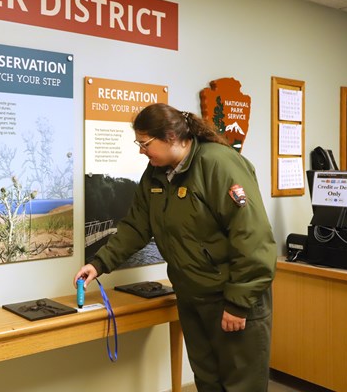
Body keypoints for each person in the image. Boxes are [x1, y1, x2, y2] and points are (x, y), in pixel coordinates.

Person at [74, 103, 277, 392]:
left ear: (170, 137)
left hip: (231, 299)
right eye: (139, 144)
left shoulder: (218, 163)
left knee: (241, 385)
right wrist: (99, 263)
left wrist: (238, 303)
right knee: (207, 381)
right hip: (193, 298)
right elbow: (136, 226)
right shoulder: (156, 173)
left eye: (145, 144)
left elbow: (253, 237)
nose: (141, 151)